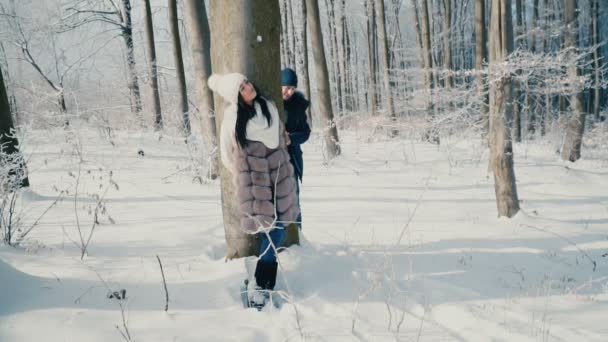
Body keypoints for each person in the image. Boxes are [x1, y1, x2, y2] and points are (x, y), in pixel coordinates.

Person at [208, 72, 299, 308]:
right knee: (270, 231)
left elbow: (279, 136)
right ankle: (261, 285)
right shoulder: (232, 120)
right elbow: (228, 156)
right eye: (242, 87)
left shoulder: (268, 106)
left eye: (247, 82)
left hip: (279, 175)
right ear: (236, 96)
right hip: (256, 183)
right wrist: (247, 174)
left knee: (279, 228)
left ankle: (262, 284)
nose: (249, 87)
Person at [281, 68, 311, 229]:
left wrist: (290, 139)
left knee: (293, 197)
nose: (289, 91)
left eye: (292, 88)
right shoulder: (268, 102)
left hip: (292, 158)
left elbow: (306, 132)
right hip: (270, 159)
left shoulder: (298, 105)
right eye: (286, 87)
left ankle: (297, 236)